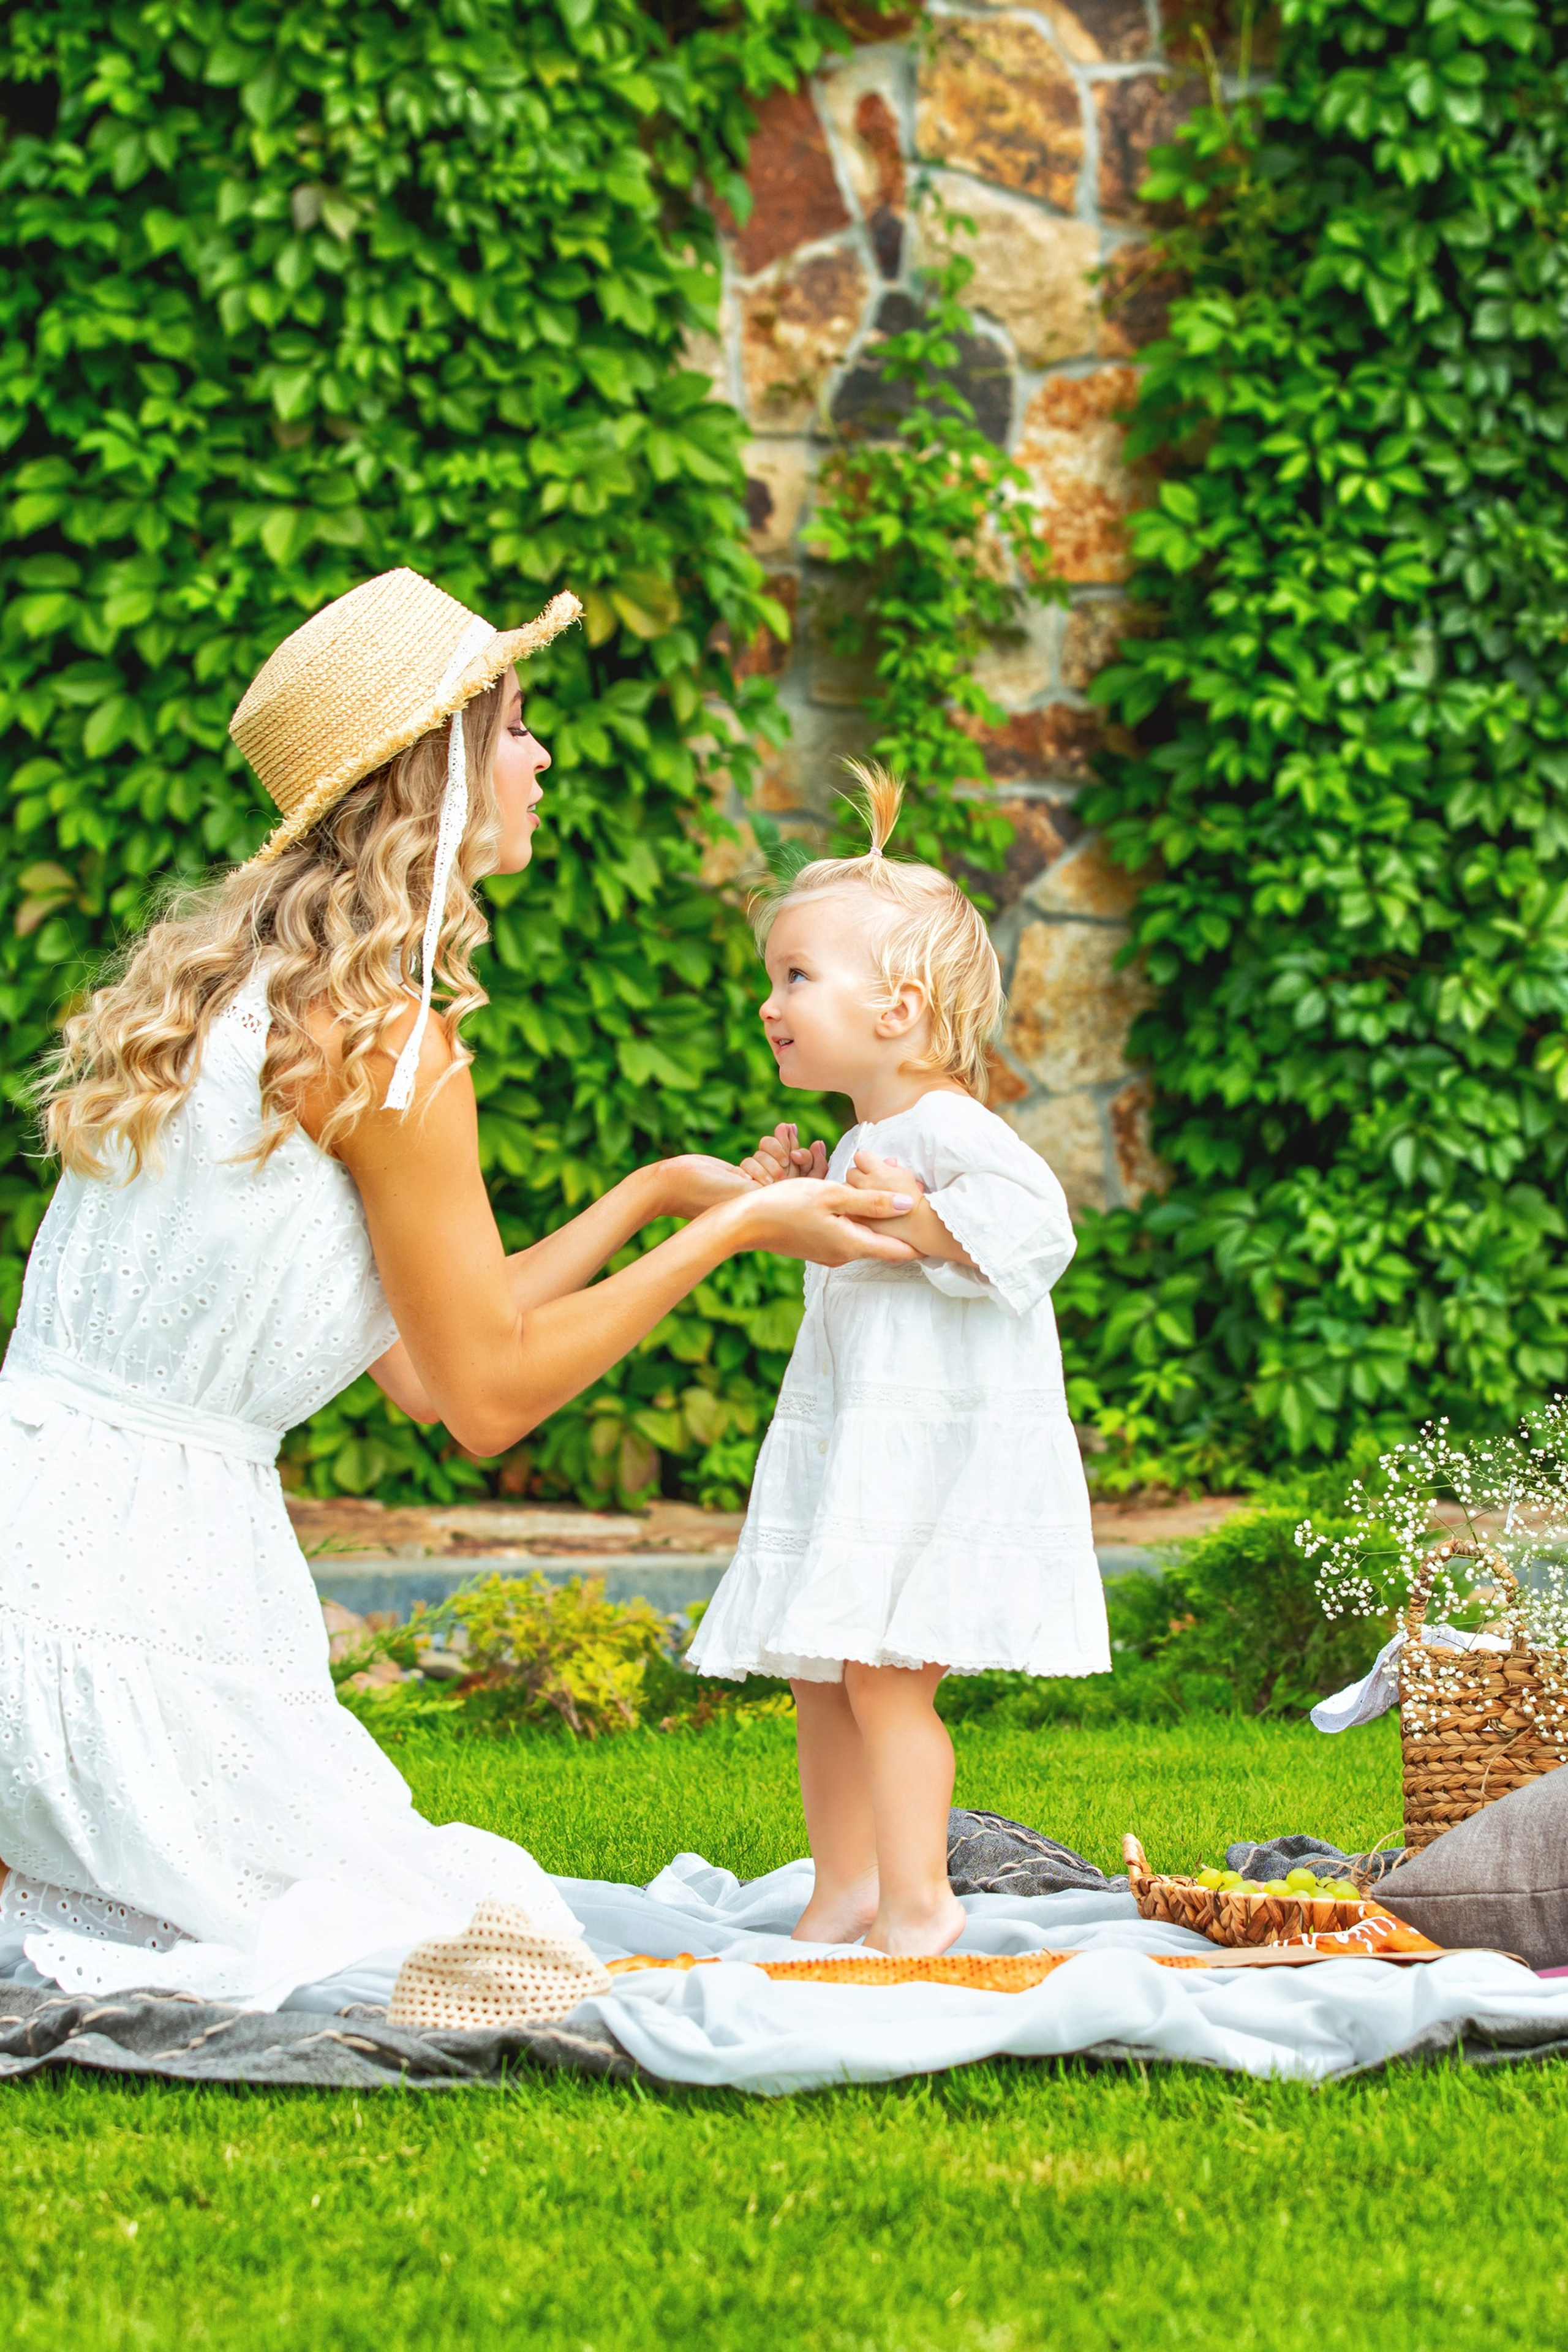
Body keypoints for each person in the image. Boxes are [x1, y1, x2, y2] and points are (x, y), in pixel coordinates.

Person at [0, 570, 917, 2009]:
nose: (540, 757)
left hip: (47, 1549)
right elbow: (484, 1401)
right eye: (512, 729)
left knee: (410, 1905)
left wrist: (669, 1188)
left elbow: (428, 1360)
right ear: (436, 773)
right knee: (434, 1935)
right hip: (130, 1606)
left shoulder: (241, 994)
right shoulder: (387, 1041)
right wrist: (732, 1239)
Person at [687, 764, 1110, 1957]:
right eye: (772, 978)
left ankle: (921, 1901)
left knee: (883, 1680)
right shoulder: (871, 1133)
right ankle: (844, 1890)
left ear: (898, 1007)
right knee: (821, 1675)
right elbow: (853, 1260)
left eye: (797, 978)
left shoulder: (946, 1129)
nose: (771, 1003)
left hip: (924, 1464)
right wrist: (799, 1196)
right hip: (856, 1446)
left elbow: (1037, 1229)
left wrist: (911, 1215)